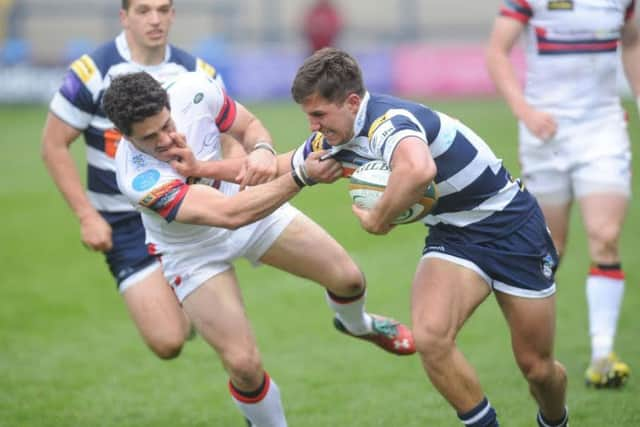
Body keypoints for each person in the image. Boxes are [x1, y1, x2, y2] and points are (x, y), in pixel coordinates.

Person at [102, 70, 415, 426]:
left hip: (251, 206)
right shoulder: (137, 177)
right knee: (244, 366)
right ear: (124, 137)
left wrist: (264, 151)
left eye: (166, 124)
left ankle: (359, 325)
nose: (166, 138)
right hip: (194, 251)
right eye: (150, 137)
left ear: (167, 104)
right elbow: (228, 215)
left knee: (349, 279)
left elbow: (250, 127)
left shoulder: (195, 90)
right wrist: (300, 176)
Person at [289, 47, 569, 427]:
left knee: (537, 369)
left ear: (352, 102)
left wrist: (379, 219)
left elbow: (419, 169)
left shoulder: (391, 121)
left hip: (511, 226)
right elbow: (282, 164)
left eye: (318, 114)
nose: (313, 126)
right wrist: (210, 165)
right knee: (431, 337)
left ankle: (555, 421)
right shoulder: (341, 135)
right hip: (453, 234)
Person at [41, 0, 228, 360]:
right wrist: (87, 216)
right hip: (123, 222)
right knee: (168, 341)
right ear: (124, 16)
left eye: (163, 9)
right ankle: (175, 304)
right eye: (143, 10)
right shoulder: (92, 71)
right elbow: (53, 146)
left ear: (173, 14)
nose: (155, 19)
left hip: (183, 216)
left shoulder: (197, 72)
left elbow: (230, 134)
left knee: (234, 349)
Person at [485, 0, 638, 388]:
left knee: (605, 237)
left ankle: (602, 355)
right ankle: (537, 351)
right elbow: (496, 51)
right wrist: (524, 111)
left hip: (603, 128)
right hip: (544, 132)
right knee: (549, 250)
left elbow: (633, 42)